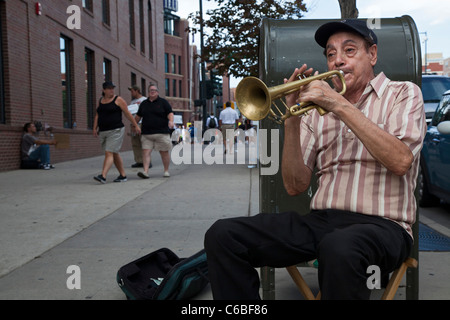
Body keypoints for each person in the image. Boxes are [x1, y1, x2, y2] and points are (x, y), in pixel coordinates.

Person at [204, 19, 426, 300]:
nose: (338, 61)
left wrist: (338, 104)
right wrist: (291, 120)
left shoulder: (403, 94)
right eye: (331, 54)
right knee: (223, 235)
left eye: (349, 50)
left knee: (341, 246)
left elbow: (400, 161)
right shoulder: (313, 112)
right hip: (323, 220)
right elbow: (295, 185)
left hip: (384, 226)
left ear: (372, 55)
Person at [93, 81, 141, 184]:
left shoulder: (118, 100)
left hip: (116, 130)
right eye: (109, 88)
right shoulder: (101, 100)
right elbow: (98, 115)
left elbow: (127, 114)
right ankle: (123, 175)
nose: (111, 90)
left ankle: (103, 176)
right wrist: (94, 127)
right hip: (103, 131)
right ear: (104, 90)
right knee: (114, 153)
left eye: (112, 88)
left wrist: (136, 125)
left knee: (109, 152)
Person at [135, 84, 174, 179]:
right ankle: (145, 172)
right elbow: (138, 116)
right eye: (150, 90)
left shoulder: (163, 102)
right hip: (147, 133)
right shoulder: (144, 103)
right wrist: (134, 125)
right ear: (148, 92)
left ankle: (166, 171)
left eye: (154, 90)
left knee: (164, 152)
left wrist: (171, 121)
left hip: (161, 132)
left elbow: (170, 113)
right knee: (146, 152)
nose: (152, 91)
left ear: (157, 92)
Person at [128, 85, 147, 168]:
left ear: (137, 91)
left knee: (144, 143)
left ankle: (147, 161)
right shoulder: (132, 102)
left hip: (143, 123)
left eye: (132, 91)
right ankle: (139, 161)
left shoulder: (144, 100)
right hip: (133, 124)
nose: (131, 93)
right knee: (135, 143)